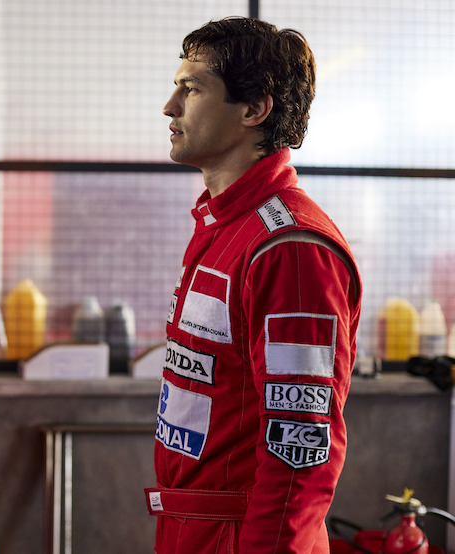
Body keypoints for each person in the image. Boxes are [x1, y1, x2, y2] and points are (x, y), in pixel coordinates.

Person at [145, 17, 361, 553]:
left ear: (254, 109)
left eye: (191, 88)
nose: (170, 106)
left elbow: (301, 444)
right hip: (194, 528)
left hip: (243, 539)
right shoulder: (223, 227)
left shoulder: (289, 248)